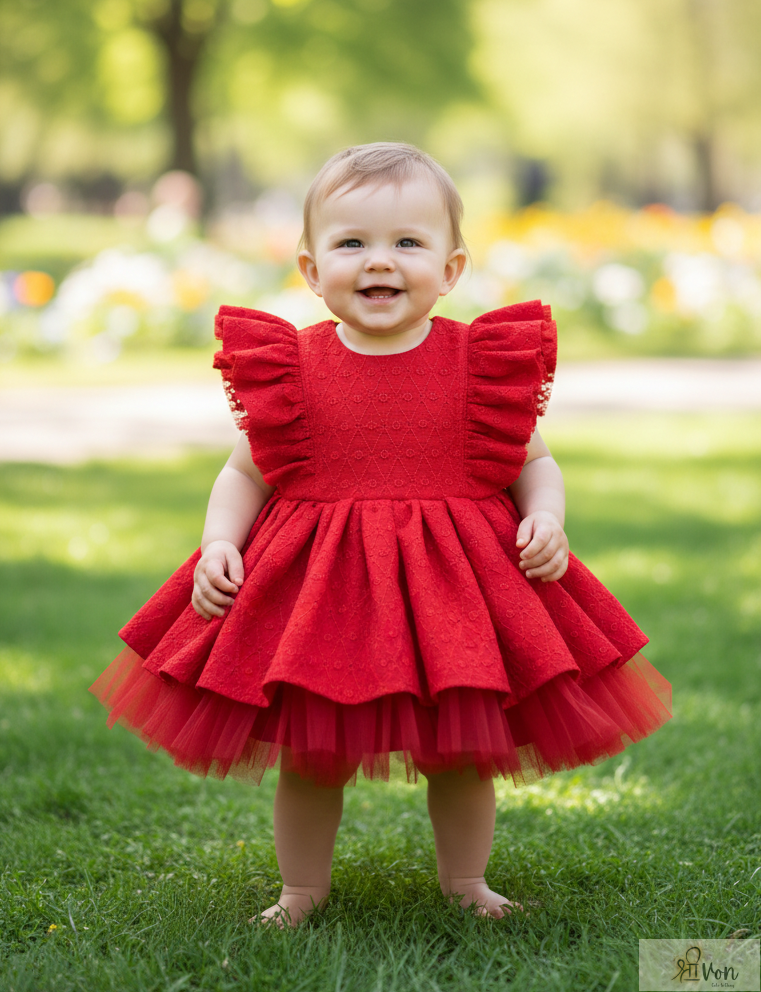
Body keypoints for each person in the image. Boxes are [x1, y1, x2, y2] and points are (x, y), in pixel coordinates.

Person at [90, 142, 672, 928]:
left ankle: (466, 881)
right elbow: (243, 473)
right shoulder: (293, 368)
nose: (379, 261)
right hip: (322, 594)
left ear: (451, 268)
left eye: (407, 242)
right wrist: (221, 540)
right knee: (313, 754)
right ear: (309, 268)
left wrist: (545, 514)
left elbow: (533, 461)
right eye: (351, 242)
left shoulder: (477, 365)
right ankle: (301, 890)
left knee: (462, 750)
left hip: (454, 592)